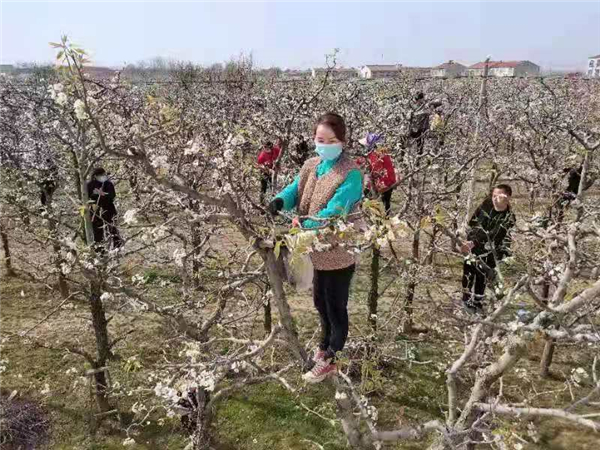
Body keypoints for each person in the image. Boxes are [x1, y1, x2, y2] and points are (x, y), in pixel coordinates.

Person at [268, 113, 363, 383]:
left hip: (339, 250)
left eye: (331, 141)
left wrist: (305, 223)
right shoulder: (312, 165)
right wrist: (280, 201)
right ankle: (324, 346)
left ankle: (333, 357)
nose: (324, 145)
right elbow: (295, 189)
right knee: (320, 301)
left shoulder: (351, 173)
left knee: (335, 305)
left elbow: (335, 210)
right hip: (316, 249)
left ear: (342, 141)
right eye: (320, 139)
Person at [461, 184, 516, 314]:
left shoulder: (509, 218)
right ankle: (466, 300)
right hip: (473, 245)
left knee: (482, 275)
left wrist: (474, 242)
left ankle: (477, 302)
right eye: (494, 195)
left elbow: (495, 236)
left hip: (490, 251)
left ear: (507, 197)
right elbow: (473, 223)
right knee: (468, 272)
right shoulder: (486, 204)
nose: (495, 198)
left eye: (500, 195)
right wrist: (470, 240)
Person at [357, 133, 398, 216]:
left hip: (383, 182)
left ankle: (363, 214)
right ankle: (385, 218)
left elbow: (375, 171)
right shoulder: (381, 152)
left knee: (367, 196)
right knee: (386, 201)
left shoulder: (375, 155)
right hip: (389, 180)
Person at [87, 168, 122, 250]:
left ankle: (117, 248)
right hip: (96, 210)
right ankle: (100, 250)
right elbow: (87, 197)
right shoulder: (89, 185)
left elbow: (112, 195)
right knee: (98, 231)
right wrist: (92, 203)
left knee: (112, 228)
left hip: (108, 208)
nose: (104, 177)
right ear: (95, 176)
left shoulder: (108, 184)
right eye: (101, 175)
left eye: (104, 175)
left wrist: (102, 194)